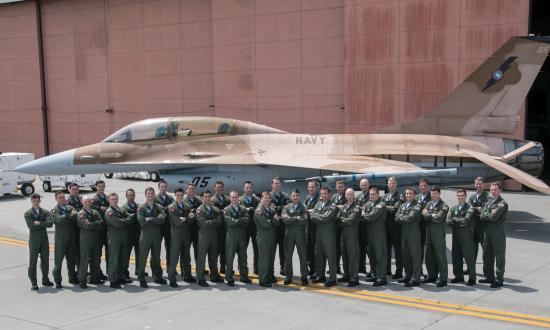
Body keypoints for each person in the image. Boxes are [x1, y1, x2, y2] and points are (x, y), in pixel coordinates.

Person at [136, 187, 167, 288]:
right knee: (143, 257)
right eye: (148, 193)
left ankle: (157, 276)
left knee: (156, 257)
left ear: (154, 195)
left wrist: (151, 219)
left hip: (156, 236)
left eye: (152, 193)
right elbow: (142, 222)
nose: (150, 195)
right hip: (146, 236)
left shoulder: (158, 207)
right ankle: (141, 277)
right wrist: (155, 220)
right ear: (146, 195)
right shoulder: (141, 208)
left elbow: (162, 219)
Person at [479, 183, 508, 289]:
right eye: (491, 190)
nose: (493, 192)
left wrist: (487, 214)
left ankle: (499, 279)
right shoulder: (489, 201)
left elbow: (494, 218)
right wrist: (488, 214)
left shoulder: (502, 204)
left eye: (495, 190)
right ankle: (489, 276)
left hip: (498, 233)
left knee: (499, 256)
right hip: (487, 232)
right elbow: (481, 216)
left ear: (500, 190)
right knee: (487, 255)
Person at [309, 187, 339, 287]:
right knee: (319, 255)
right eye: (322, 193)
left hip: (328, 234)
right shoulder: (318, 204)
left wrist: (317, 215)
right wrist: (319, 216)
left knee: (330, 256)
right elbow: (312, 217)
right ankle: (320, 275)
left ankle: (332, 278)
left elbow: (326, 218)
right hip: (319, 234)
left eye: (325, 193)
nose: (323, 195)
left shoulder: (333, 206)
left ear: (329, 194)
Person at [167, 188, 196, 287]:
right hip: (176, 234)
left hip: (186, 234)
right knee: (174, 256)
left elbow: (192, 221)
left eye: (181, 195)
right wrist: (187, 218)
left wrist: (186, 218)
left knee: (186, 255)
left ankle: (187, 275)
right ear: (175, 195)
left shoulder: (187, 206)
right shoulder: (171, 207)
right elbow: (177, 222)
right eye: (178, 195)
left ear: (183, 195)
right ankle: (171, 278)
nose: (179, 197)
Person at [446, 189, 476, 286]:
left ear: (465, 196)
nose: (460, 197)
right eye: (458, 195)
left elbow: (466, 220)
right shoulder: (453, 208)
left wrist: (455, 220)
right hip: (456, 236)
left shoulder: (470, 208)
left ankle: (472, 278)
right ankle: (458, 276)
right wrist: (459, 222)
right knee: (456, 257)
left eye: (462, 195)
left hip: (466, 236)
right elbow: (448, 221)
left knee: (469, 258)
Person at [24, 193, 53, 291]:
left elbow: (50, 224)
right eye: (34, 201)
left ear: (40, 201)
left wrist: (39, 223)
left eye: (37, 201)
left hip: (44, 239)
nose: (36, 203)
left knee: (45, 260)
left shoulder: (45, 212)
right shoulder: (28, 213)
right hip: (34, 239)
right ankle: (34, 282)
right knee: (33, 261)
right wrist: (42, 224)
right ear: (31, 201)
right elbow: (31, 226)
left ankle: (45, 279)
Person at [421, 187, 449, 287]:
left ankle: (443, 278)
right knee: (429, 256)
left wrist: (428, 215)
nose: (433, 195)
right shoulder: (429, 204)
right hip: (429, 233)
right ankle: (432, 275)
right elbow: (423, 215)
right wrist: (431, 215)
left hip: (438, 234)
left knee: (440, 256)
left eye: (435, 194)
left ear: (439, 194)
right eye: (432, 194)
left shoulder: (444, 205)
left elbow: (439, 218)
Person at [196, 190, 224, 287]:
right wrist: (213, 221)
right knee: (201, 257)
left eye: (209, 196)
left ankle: (214, 275)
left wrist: (210, 221)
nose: (207, 198)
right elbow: (204, 223)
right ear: (202, 198)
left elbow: (220, 221)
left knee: (213, 257)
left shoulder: (215, 209)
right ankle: (200, 278)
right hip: (204, 236)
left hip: (213, 235)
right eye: (205, 196)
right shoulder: (200, 210)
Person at [223, 191, 251, 286]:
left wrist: (237, 221)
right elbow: (230, 223)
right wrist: (241, 220)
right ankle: (229, 277)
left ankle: (244, 276)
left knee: (243, 257)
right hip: (232, 237)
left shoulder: (243, 208)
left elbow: (247, 221)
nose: (234, 199)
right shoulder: (227, 209)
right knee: (230, 258)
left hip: (242, 236)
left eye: (236, 197)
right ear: (230, 198)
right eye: (232, 197)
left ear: (238, 198)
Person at [281, 189, 308, 286]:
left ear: (299, 196)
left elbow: (305, 220)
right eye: (293, 195)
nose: (295, 197)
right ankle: (288, 277)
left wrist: (291, 219)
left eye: (297, 195)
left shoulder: (303, 207)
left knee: (303, 256)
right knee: (288, 256)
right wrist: (296, 218)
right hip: (289, 235)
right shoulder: (286, 207)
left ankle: (304, 277)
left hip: (300, 235)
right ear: (291, 196)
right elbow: (284, 219)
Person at [395, 187, 422, 287]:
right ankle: (408, 275)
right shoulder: (402, 205)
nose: (408, 195)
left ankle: (416, 278)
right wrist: (402, 217)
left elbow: (411, 217)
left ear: (414, 195)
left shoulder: (417, 206)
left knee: (415, 256)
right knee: (406, 256)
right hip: (404, 234)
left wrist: (401, 217)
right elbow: (396, 217)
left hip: (413, 234)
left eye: (410, 193)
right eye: (407, 194)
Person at [51, 191, 78, 288]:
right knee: (58, 261)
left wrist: (67, 217)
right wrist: (67, 216)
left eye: (63, 197)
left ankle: (72, 277)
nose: (62, 199)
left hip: (71, 238)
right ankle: (58, 280)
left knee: (71, 260)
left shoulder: (70, 208)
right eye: (59, 198)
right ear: (56, 199)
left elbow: (75, 216)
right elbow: (57, 220)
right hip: (60, 240)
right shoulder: (54, 210)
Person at [362, 187, 388, 287]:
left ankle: (382, 278)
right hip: (370, 233)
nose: (372, 196)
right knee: (371, 255)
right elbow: (365, 214)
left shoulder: (381, 205)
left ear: (378, 194)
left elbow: (372, 216)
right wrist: (365, 214)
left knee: (380, 255)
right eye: (370, 194)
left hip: (378, 234)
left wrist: (365, 214)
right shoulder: (368, 204)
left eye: (374, 194)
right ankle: (374, 274)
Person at [104, 192, 131, 289]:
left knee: (122, 257)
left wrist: (123, 220)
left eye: (116, 199)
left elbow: (130, 218)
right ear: (109, 200)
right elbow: (116, 223)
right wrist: (124, 220)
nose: (114, 200)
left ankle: (120, 276)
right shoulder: (109, 211)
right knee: (114, 258)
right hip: (114, 236)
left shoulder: (120, 209)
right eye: (112, 199)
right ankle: (112, 280)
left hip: (123, 235)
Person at [77, 196, 105, 289]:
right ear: (82, 202)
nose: (88, 203)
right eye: (86, 201)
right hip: (85, 239)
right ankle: (82, 280)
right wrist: (95, 223)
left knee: (95, 259)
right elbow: (86, 225)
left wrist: (93, 223)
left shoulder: (95, 212)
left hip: (95, 238)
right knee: (85, 259)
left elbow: (101, 223)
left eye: (89, 201)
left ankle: (95, 278)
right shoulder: (81, 213)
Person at [255, 191, 281, 287]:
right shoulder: (259, 211)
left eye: (268, 198)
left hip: (271, 237)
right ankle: (263, 279)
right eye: (265, 198)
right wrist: (273, 220)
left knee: (271, 258)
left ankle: (270, 275)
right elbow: (265, 224)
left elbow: (278, 221)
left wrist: (271, 220)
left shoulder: (270, 209)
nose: (267, 199)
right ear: (261, 199)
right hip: (263, 237)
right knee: (264, 259)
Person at [338, 188, 361, 287]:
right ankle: (347, 275)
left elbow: (351, 220)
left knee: (352, 256)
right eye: (348, 194)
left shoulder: (357, 208)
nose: (349, 196)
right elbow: (337, 219)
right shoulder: (343, 207)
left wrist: (343, 220)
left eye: (351, 194)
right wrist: (344, 220)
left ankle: (354, 278)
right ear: (345, 196)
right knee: (344, 255)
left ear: (354, 196)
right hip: (344, 234)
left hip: (352, 234)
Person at [270, 177, 291, 276]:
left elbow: (289, 208)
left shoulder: (286, 196)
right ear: (272, 185)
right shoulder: (268, 196)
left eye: (278, 183)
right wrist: (282, 208)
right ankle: (271, 270)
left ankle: (283, 268)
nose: (277, 185)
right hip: (273, 227)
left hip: (283, 227)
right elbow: (270, 210)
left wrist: (278, 208)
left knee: (283, 249)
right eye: (275, 183)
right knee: (272, 250)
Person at [384, 177, 403, 279]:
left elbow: (395, 209)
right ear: (387, 185)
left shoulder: (400, 196)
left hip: (396, 227)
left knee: (398, 250)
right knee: (386, 249)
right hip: (386, 226)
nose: (391, 185)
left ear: (396, 185)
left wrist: (386, 208)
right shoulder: (385, 196)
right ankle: (387, 270)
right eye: (389, 183)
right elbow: (382, 207)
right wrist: (388, 208)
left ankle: (399, 271)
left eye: (393, 183)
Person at [240, 181, 260, 274]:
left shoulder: (257, 199)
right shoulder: (240, 200)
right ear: (244, 188)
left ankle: (257, 268)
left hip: (255, 227)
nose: (248, 189)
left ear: (252, 188)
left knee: (257, 249)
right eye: (246, 187)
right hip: (245, 228)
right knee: (243, 249)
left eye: (250, 187)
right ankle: (242, 268)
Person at [120, 188, 141, 278]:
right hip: (128, 234)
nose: (132, 197)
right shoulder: (123, 208)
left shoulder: (139, 206)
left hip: (138, 233)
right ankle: (125, 271)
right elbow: (128, 221)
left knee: (139, 253)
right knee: (126, 254)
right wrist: (135, 216)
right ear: (126, 196)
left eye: (133, 195)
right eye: (130, 195)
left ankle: (138, 270)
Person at [154, 179, 174, 270]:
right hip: (158, 227)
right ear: (158, 188)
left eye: (165, 187)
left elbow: (173, 209)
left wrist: (164, 209)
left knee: (170, 248)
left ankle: (170, 267)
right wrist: (167, 208)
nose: (164, 188)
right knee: (156, 248)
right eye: (162, 187)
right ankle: (156, 268)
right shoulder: (154, 199)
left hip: (168, 226)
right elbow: (156, 211)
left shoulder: (170, 198)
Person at [91, 180, 109, 280]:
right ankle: (97, 272)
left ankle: (110, 271)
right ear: (96, 187)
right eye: (100, 186)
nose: (101, 188)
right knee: (97, 253)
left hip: (107, 229)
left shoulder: (107, 198)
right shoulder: (94, 199)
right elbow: (95, 211)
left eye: (103, 186)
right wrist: (101, 208)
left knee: (109, 252)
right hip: (99, 230)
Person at [469, 177, 490, 262]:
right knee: (472, 248)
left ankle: (487, 269)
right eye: (477, 184)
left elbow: (485, 209)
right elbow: (469, 207)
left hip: (482, 225)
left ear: (483, 185)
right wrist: (477, 208)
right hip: (473, 225)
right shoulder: (473, 196)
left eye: (480, 184)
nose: (478, 186)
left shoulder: (487, 196)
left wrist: (474, 208)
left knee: (485, 248)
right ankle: (471, 269)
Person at [212, 181, 230, 274]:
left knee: (225, 249)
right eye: (218, 187)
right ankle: (214, 269)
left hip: (226, 227)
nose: (219, 189)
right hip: (217, 228)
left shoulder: (227, 199)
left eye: (221, 187)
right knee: (216, 249)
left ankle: (223, 267)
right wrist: (222, 211)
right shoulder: (212, 200)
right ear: (214, 188)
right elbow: (214, 211)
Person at [303, 180, 319, 277]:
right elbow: (304, 208)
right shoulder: (307, 198)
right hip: (308, 227)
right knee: (309, 248)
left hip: (315, 227)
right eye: (310, 187)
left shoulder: (319, 199)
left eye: (313, 187)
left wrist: (310, 211)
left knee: (315, 249)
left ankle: (318, 269)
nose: (311, 189)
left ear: (316, 188)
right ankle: (312, 268)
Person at [415, 178, 431, 277]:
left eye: (425, 185)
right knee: (419, 249)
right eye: (421, 186)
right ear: (419, 187)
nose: (423, 187)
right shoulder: (416, 197)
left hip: (428, 226)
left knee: (429, 250)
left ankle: (431, 273)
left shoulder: (431, 197)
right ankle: (419, 271)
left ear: (427, 186)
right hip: (418, 227)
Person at [331, 180, 347, 274]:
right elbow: (332, 207)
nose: (340, 188)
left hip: (344, 225)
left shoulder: (347, 195)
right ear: (336, 187)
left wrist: (338, 207)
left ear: (344, 187)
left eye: (341, 186)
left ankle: (347, 270)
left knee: (343, 248)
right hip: (335, 226)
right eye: (338, 186)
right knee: (335, 248)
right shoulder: (333, 197)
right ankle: (336, 267)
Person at [185, 183, 202, 270]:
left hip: (196, 229)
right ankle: (186, 270)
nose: (191, 190)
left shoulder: (199, 201)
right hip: (187, 229)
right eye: (189, 189)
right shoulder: (183, 201)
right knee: (186, 250)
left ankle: (199, 268)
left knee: (198, 250)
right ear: (186, 190)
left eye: (193, 189)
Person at [356, 179, 371, 277]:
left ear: (368, 185)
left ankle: (373, 270)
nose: (363, 186)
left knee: (369, 248)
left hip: (368, 225)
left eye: (365, 185)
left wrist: (362, 209)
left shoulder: (371, 195)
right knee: (360, 247)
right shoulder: (358, 196)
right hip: (359, 224)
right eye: (362, 185)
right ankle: (361, 267)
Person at [67, 183, 82, 273]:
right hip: (73, 228)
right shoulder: (67, 201)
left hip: (80, 228)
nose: (75, 191)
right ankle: (73, 271)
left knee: (80, 250)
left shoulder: (81, 199)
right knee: (73, 251)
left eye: (76, 189)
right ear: (69, 190)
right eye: (73, 189)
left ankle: (80, 268)